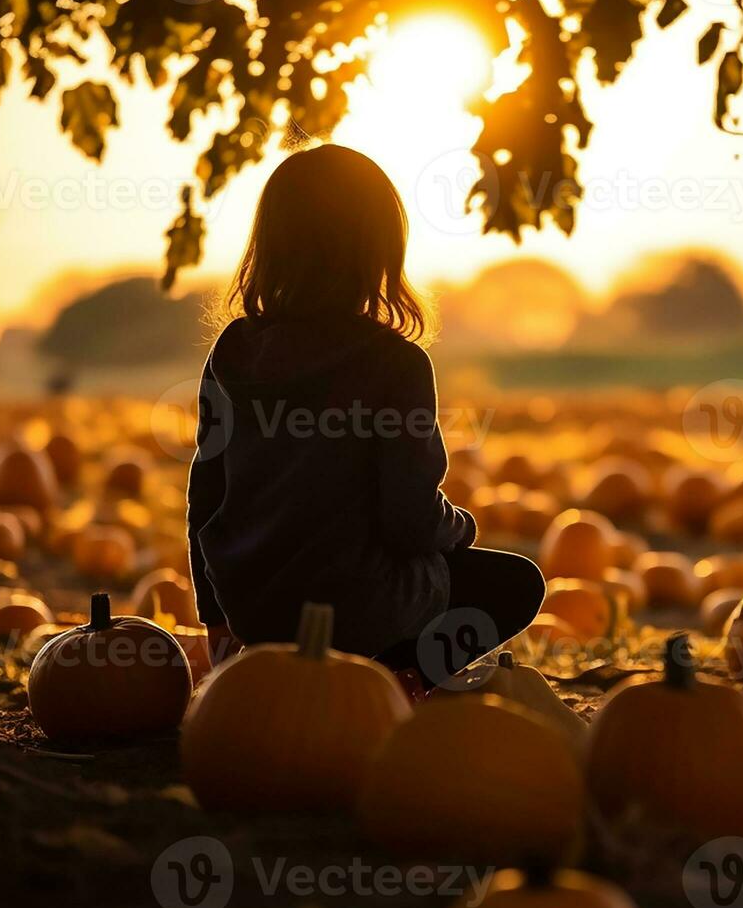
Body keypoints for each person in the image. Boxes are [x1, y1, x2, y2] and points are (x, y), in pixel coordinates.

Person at [186, 145, 544, 689]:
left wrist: (214, 613)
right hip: (357, 611)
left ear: (270, 245)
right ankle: (402, 681)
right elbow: (409, 518)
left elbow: (205, 491)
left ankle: (331, 678)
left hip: (257, 615)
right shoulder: (394, 363)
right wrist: (460, 528)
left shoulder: (233, 351)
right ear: (379, 249)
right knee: (516, 583)